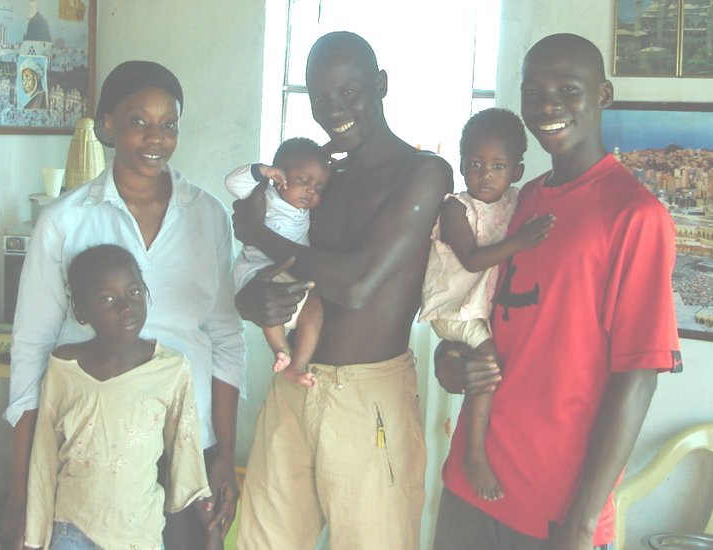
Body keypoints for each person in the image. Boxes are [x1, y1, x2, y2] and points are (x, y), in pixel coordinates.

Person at [432, 33, 680, 550]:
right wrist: (450, 360)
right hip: (472, 478)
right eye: (534, 91)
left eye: (567, 89)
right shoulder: (519, 203)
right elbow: (491, 318)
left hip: (555, 506)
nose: (548, 105)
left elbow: (638, 378)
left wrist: (584, 521)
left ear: (603, 95)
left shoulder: (634, 217)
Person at [4, 60, 246, 550]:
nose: (156, 138)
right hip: (90, 451)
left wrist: (221, 453)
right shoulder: (66, 221)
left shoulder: (207, 217)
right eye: (139, 121)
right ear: (108, 125)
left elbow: (225, 338)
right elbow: (32, 347)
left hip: (186, 446)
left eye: (169, 124)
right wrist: (18, 488)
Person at [232, 31, 453, 549]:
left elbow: (356, 285)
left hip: (369, 394)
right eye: (321, 98)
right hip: (293, 385)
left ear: (380, 85)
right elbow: (260, 276)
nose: (335, 110)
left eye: (349, 92)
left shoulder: (422, 172)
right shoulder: (316, 179)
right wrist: (252, 301)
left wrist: (255, 231)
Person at [24, 244, 220, 550]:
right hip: (70, 527)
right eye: (107, 299)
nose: (125, 306)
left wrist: (208, 527)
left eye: (134, 292)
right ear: (81, 311)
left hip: (137, 532)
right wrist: (33, 538)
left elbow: (186, 452)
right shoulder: (65, 367)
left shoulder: (169, 369)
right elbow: (44, 457)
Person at [420, 108, 554, 502]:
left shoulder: (515, 201)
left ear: (516, 171)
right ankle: (473, 454)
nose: (485, 175)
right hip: (456, 309)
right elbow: (472, 259)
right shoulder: (456, 207)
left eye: (498, 165)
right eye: (475, 164)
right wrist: (521, 241)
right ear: (462, 164)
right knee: (487, 364)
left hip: (480, 306)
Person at [225, 137, 330, 387]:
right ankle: (281, 349)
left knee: (314, 308)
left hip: (291, 276)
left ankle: (298, 364)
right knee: (269, 295)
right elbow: (232, 182)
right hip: (258, 271)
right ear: (279, 177)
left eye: (319, 187)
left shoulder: (305, 210)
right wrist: (262, 171)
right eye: (303, 181)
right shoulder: (265, 196)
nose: (311, 190)